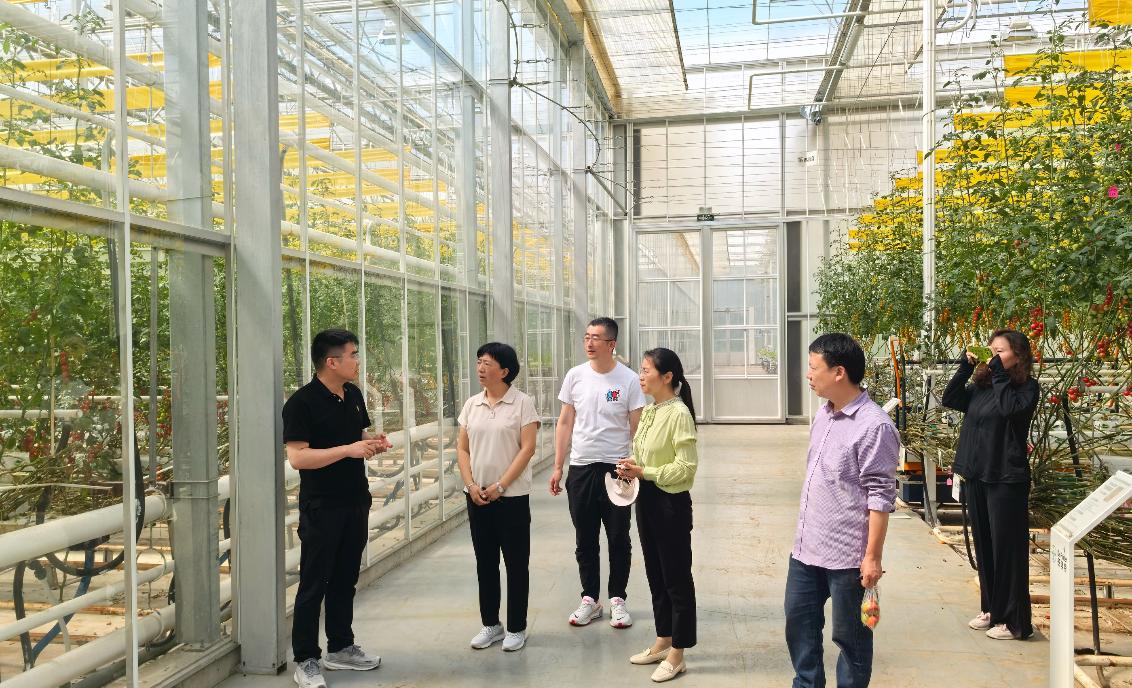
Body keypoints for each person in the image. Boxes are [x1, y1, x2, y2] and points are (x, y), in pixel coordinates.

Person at [785, 333, 899, 688]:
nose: (808, 374)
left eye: (813, 367)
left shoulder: (875, 426)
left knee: (852, 640)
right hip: (806, 549)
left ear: (838, 372)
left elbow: (880, 497)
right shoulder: (823, 414)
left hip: (848, 557)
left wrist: (872, 557)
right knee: (799, 625)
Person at [282, 329, 391, 688]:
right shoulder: (301, 403)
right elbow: (298, 457)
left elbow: (353, 436)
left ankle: (341, 647)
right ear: (332, 362)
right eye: (353, 354)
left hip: (355, 500)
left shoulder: (352, 394)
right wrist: (348, 450)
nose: (358, 360)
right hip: (322, 507)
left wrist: (370, 442)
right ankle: (306, 659)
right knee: (315, 583)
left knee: (345, 578)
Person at [942, 329, 1039, 641]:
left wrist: (996, 373)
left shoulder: (1026, 388)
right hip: (977, 475)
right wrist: (966, 366)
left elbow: (1010, 409)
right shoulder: (982, 387)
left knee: (1007, 550)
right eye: (990, 350)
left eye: (1000, 352)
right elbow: (950, 398)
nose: (993, 357)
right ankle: (991, 609)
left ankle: (1014, 621)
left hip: (1005, 479)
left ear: (1018, 356)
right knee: (984, 546)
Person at [549, 317, 646, 628]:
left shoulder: (628, 380)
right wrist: (558, 465)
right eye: (587, 337)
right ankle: (590, 599)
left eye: (596, 338)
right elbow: (565, 422)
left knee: (618, 537)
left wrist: (635, 465)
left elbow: (637, 427)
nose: (589, 343)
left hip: (617, 469)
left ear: (611, 344)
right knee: (585, 537)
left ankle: (618, 599)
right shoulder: (575, 376)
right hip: (581, 468)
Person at [616, 348, 698, 683]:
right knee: (656, 574)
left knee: (677, 579)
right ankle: (663, 639)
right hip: (647, 499)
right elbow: (645, 454)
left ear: (667, 377)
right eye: (641, 369)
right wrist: (631, 465)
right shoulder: (651, 410)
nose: (641, 375)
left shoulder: (678, 413)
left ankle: (678, 652)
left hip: (670, 504)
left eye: (646, 370)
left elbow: (686, 468)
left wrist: (645, 472)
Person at [457, 342, 541, 652]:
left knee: (516, 565)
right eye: (479, 362)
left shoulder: (522, 403)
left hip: (512, 498)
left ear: (504, 371)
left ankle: (517, 627)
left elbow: (527, 449)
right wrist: (471, 484)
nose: (480, 368)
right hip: (477, 497)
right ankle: (491, 624)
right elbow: (462, 448)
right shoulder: (472, 404)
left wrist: (501, 486)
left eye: (487, 363)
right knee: (485, 563)